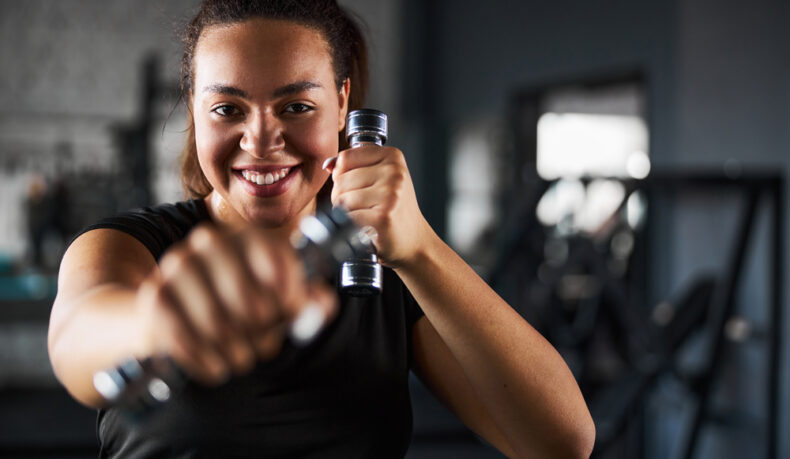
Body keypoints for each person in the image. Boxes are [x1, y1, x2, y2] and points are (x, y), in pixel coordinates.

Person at [47, 1, 595, 457]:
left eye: (296, 105)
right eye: (228, 109)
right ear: (195, 109)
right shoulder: (128, 245)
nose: (261, 141)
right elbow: (77, 342)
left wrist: (421, 249)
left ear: (342, 106)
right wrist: (156, 320)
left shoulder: (391, 275)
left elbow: (562, 442)